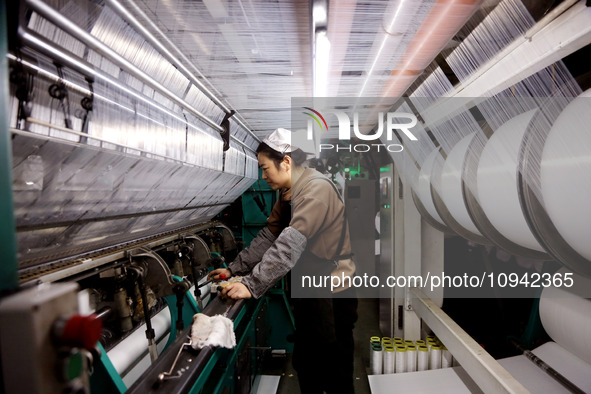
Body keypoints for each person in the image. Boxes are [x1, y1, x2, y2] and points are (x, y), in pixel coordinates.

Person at [208, 128, 358, 393]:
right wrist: (234, 269)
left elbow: (290, 242)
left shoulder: (316, 190)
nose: (263, 176)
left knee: (332, 364)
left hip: (332, 290)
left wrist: (252, 285)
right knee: (307, 361)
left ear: (286, 162)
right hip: (310, 287)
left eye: (265, 169)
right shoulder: (289, 192)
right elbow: (269, 235)